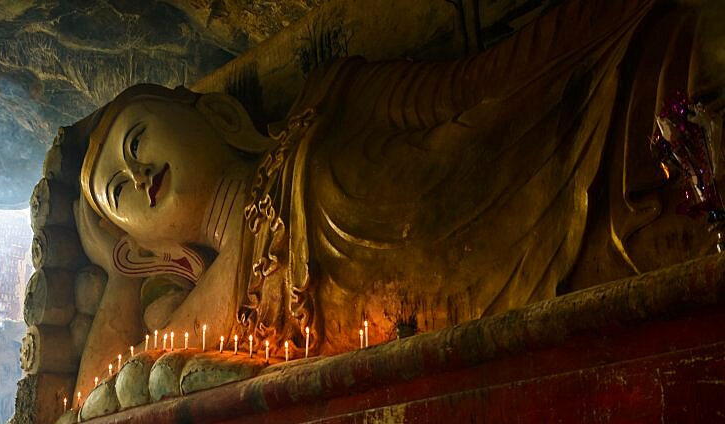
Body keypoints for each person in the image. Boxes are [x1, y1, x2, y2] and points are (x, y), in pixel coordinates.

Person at [65, 0, 720, 397]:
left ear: (217, 117)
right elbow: (97, 394)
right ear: (152, 244)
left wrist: (607, 33)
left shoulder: (328, 101)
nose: (137, 171)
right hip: (507, 323)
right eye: (119, 191)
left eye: (137, 138)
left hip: (557, 164)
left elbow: (479, 90)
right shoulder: (198, 313)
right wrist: (123, 279)